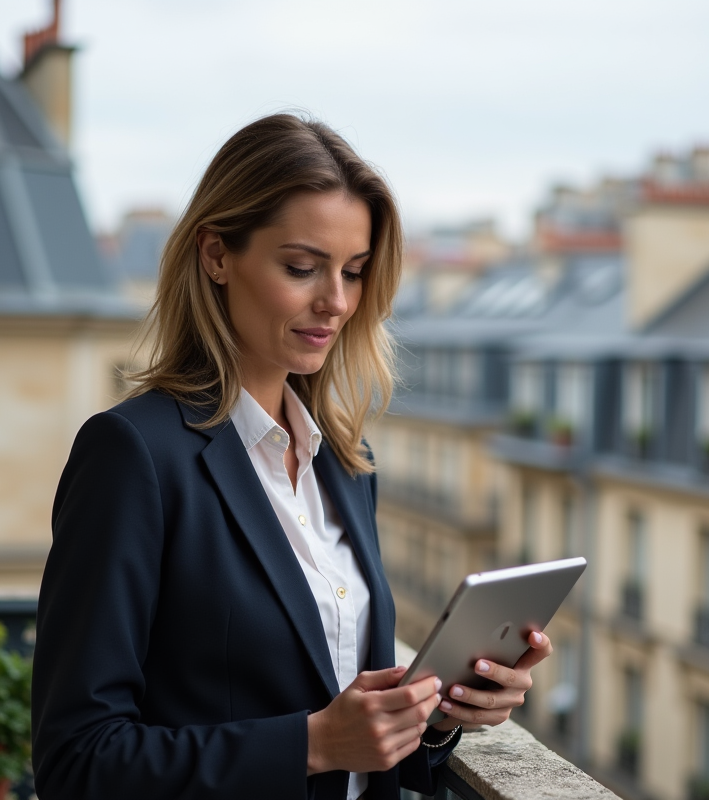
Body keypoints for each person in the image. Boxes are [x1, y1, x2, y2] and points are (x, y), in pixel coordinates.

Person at [31, 113, 553, 800]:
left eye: (355, 272)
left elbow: (355, 734)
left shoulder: (344, 462)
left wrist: (435, 721)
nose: (335, 302)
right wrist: (311, 744)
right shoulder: (133, 455)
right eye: (301, 267)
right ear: (216, 254)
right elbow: (78, 761)